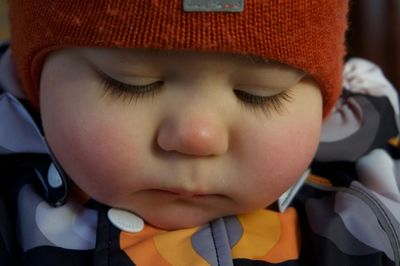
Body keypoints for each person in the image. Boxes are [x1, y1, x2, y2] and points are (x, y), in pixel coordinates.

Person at [0, 0, 399, 265]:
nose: (197, 137)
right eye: (132, 84)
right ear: (33, 79)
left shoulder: (375, 202)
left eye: (257, 95)